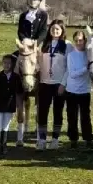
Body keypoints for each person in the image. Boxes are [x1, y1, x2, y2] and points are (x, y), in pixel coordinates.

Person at [37, 20, 68, 149]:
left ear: (62, 31)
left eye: (58, 29)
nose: (55, 31)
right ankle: (42, 140)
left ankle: (55, 139)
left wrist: (63, 84)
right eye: (53, 29)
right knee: (42, 112)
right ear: (49, 30)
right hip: (44, 83)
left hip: (58, 84)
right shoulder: (43, 44)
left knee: (57, 112)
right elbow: (38, 61)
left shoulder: (67, 45)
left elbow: (69, 67)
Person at [64, 29, 93, 151]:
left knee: (85, 117)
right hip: (72, 91)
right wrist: (86, 68)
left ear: (85, 41)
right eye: (76, 40)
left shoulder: (89, 54)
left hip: (85, 91)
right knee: (72, 117)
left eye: (80, 40)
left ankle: (88, 139)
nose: (78, 43)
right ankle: (73, 139)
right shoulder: (71, 55)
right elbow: (72, 74)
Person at [0, 54, 21, 157]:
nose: (6, 65)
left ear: (12, 65)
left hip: (9, 105)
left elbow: (19, 91)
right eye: (5, 63)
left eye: (9, 63)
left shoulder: (16, 77)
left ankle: (3, 146)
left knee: (5, 126)